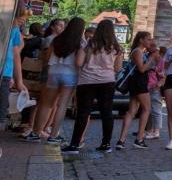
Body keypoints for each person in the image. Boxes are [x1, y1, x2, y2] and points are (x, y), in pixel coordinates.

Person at [61, 20, 123, 154]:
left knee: (83, 113)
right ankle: (106, 144)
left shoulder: (88, 44)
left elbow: (78, 63)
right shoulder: (117, 48)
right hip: (107, 81)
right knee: (106, 112)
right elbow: (118, 68)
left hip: (87, 81)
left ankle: (74, 144)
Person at [26, 17, 85, 143]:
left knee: (46, 104)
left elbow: (47, 57)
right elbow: (79, 62)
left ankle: (35, 133)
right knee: (62, 105)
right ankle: (53, 136)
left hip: (53, 73)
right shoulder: (81, 43)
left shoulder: (57, 39)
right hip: (70, 75)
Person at [116, 32, 157, 149]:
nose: (150, 41)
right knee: (147, 109)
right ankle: (139, 138)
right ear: (141, 40)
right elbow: (141, 69)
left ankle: (121, 140)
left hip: (136, 83)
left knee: (131, 111)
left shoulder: (140, 51)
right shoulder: (138, 51)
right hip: (139, 83)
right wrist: (151, 58)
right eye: (148, 39)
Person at [1, 6, 28, 132]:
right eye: (20, 17)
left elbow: (16, 55)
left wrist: (19, 81)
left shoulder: (15, 30)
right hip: (5, 73)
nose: (22, 20)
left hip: (5, 74)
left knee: (2, 111)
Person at [144, 46, 167, 140]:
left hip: (154, 87)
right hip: (148, 87)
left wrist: (158, 85)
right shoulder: (150, 59)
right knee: (149, 110)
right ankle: (150, 130)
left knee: (156, 110)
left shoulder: (161, 61)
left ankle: (156, 131)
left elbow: (163, 75)